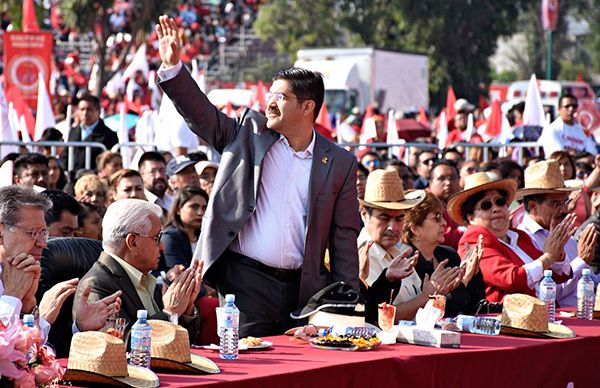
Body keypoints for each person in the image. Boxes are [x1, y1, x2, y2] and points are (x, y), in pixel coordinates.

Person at [156, 15, 360, 336]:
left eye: (281, 97)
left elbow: (344, 237)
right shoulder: (247, 134)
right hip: (244, 284)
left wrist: (346, 301)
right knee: (252, 367)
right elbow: (201, 115)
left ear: (308, 107)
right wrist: (173, 68)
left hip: (305, 290)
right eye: (271, 94)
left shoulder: (339, 162)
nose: (271, 103)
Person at [73, 199, 203, 342]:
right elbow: (119, 344)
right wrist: (170, 312)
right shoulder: (97, 284)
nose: (162, 247)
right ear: (132, 242)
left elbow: (182, 345)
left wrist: (186, 308)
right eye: (157, 238)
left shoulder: (145, 278)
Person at [0, 186, 119, 338]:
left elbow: (30, 354)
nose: (43, 243)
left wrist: (79, 328)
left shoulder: (27, 273)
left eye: (44, 233)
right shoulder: (17, 282)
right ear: (1, 232)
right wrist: (12, 297)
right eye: (33, 233)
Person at [447, 172, 573, 303]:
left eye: (500, 202)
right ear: (471, 218)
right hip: (505, 318)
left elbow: (558, 276)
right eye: (486, 205)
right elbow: (511, 279)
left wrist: (557, 253)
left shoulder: (519, 236)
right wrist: (548, 258)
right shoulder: (474, 239)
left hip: (541, 313)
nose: (496, 209)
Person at [516, 159, 598, 307]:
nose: (563, 210)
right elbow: (547, 293)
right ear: (532, 206)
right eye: (555, 204)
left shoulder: (565, 235)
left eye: (564, 202)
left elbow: (589, 280)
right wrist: (582, 261)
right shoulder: (523, 239)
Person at [401, 192, 485, 317]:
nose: (444, 223)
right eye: (437, 218)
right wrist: (463, 281)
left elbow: (476, 306)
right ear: (415, 228)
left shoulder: (448, 254)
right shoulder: (408, 262)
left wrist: (474, 272)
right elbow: (437, 311)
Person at [356, 169, 425, 323]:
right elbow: (376, 314)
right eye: (384, 218)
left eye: (399, 219)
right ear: (364, 215)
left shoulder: (401, 253)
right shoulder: (358, 256)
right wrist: (426, 296)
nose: (392, 227)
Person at [68, 94, 119, 173]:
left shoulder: (109, 135)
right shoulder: (73, 131)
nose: (85, 113)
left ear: (98, 112)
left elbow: (109, 163)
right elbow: (66, 156)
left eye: (89, 109)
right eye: (82, 109)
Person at [162, 186, 208, 268]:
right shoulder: (170, 237)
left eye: (204, 208)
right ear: (178, 209)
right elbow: (179, 274)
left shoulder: (204, 236)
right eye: (194, 207)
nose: (200, 213)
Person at [427, 159, 463, 249]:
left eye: (452, 178)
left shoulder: (463, 201)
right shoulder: (424, 203)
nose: (448, 183)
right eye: (441, 178)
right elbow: (441, 235)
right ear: (430, 183)